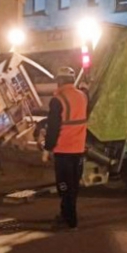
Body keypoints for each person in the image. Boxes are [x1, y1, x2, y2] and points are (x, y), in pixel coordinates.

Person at [43, 67, 88, 231]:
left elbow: (53, 128)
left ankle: (70, 219)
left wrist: (47, 148)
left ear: (59, 81)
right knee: (73, 185)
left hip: (63, 150)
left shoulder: (58, 100)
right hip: (79, 149)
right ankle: (68, 215)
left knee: (63, 185)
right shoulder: (83, 96)